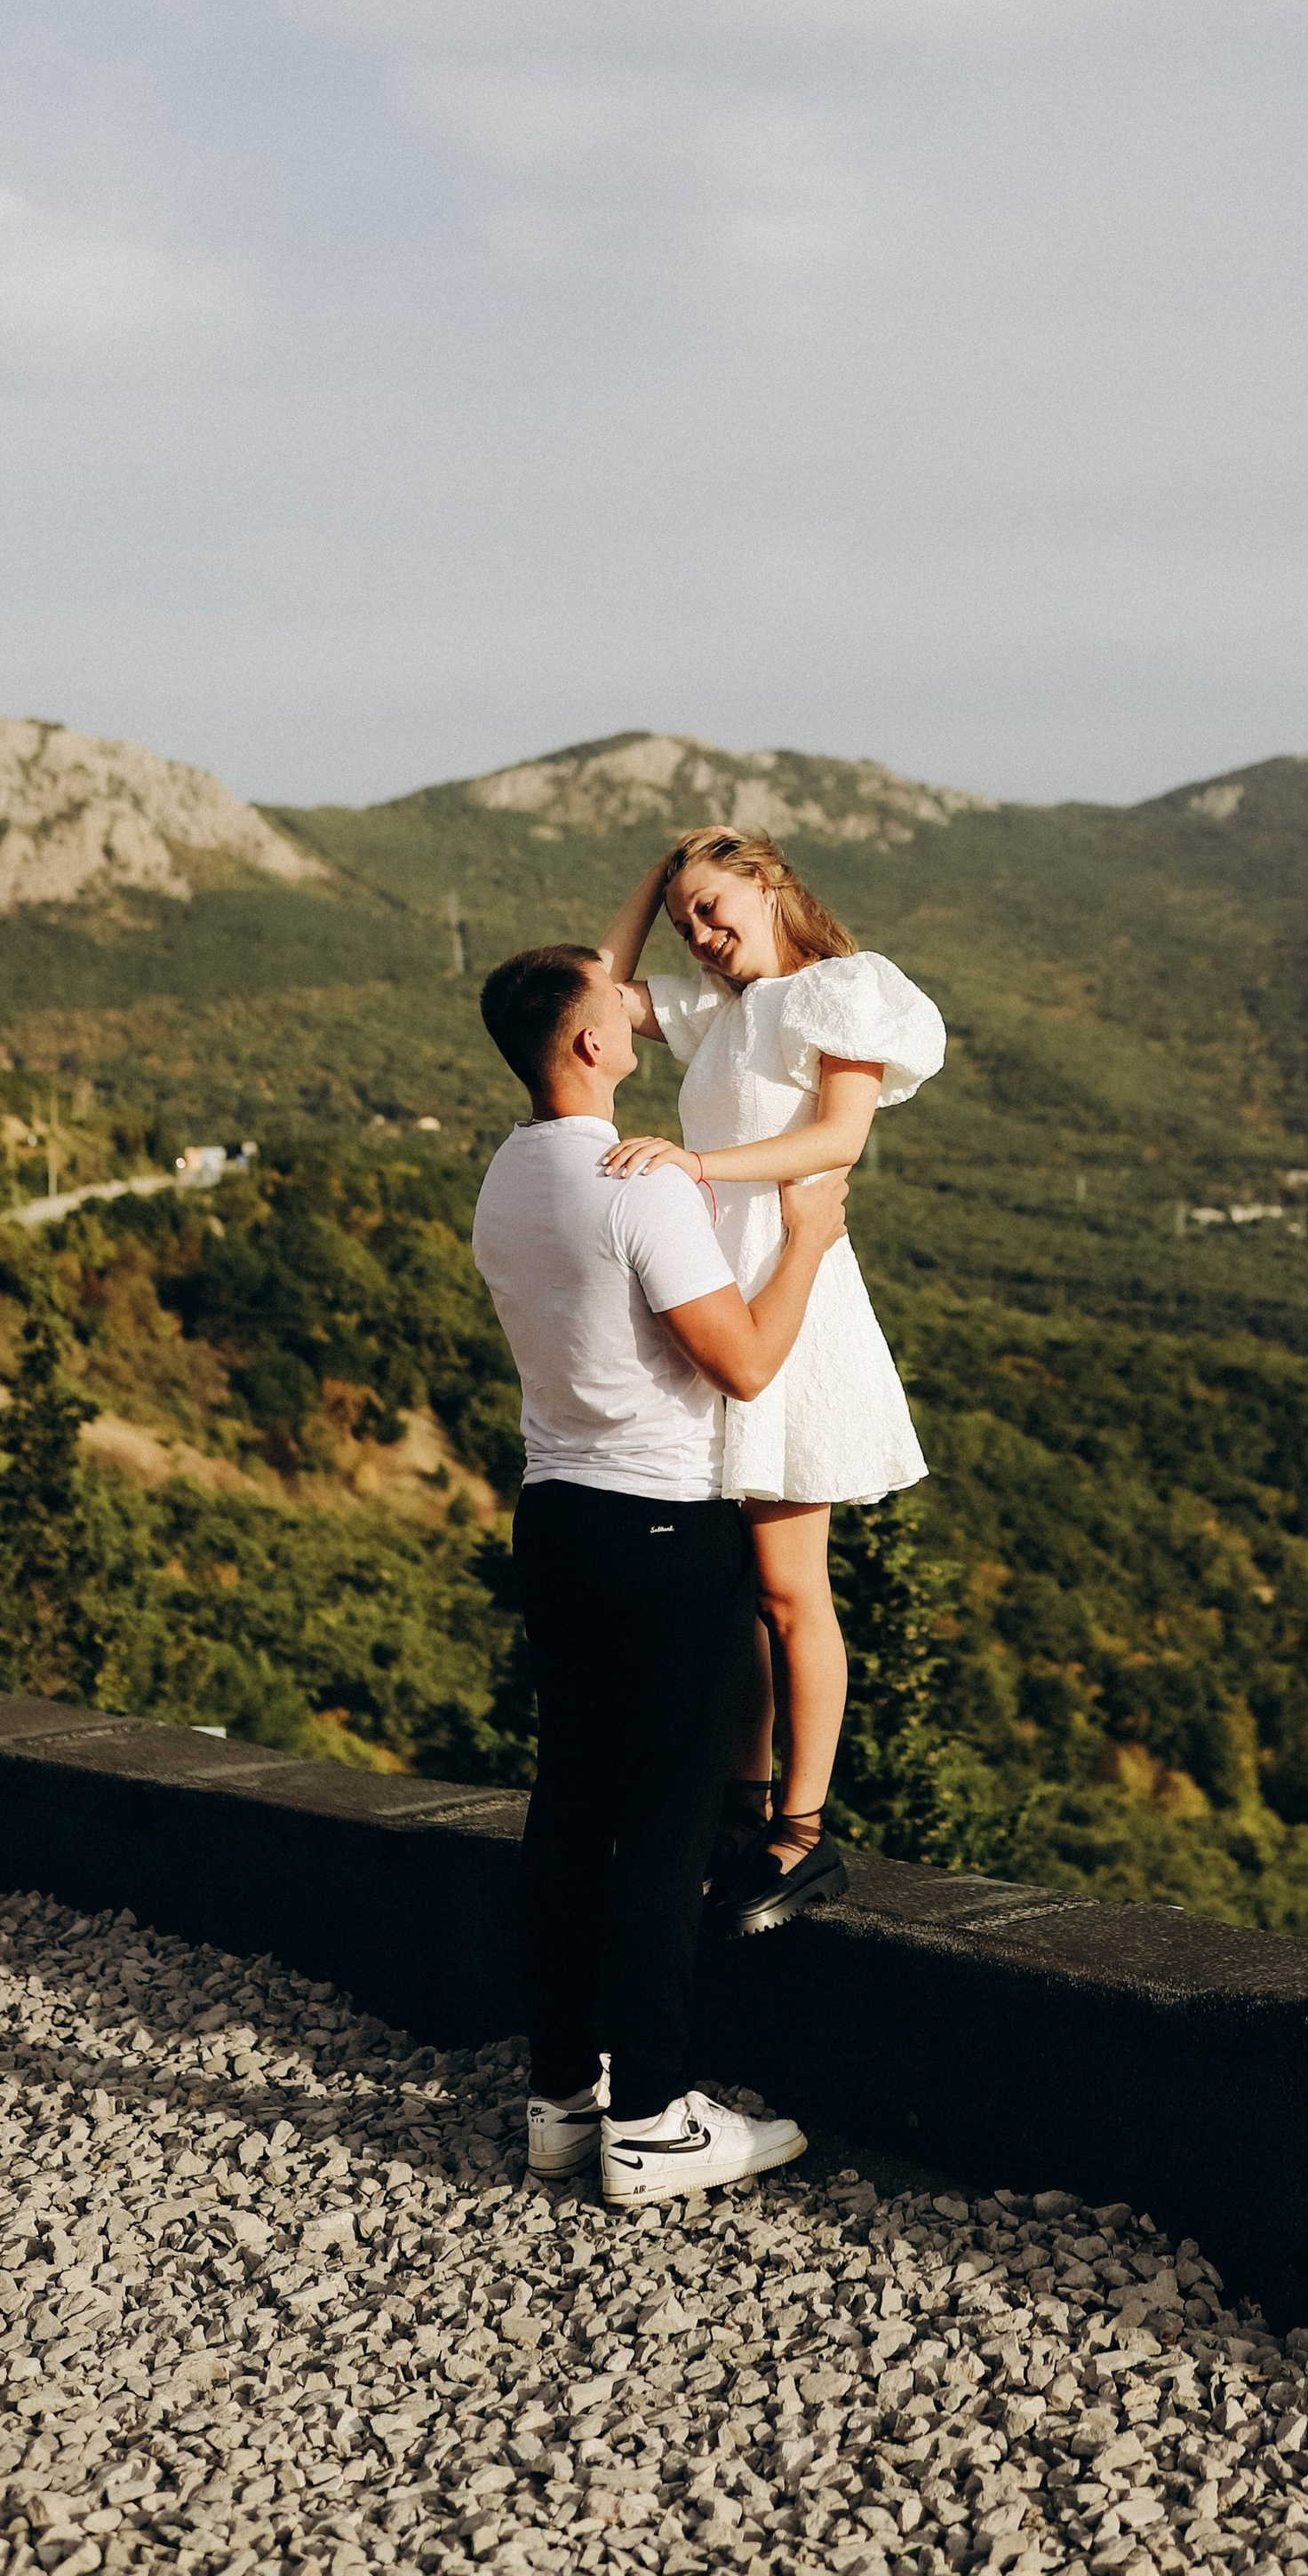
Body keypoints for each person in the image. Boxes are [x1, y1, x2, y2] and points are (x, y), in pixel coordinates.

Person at [472, 940, 851, 2201]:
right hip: (657, 1528)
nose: (636, 1008)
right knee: (672, 1824)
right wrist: (804, 1234)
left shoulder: (508, 1176)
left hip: (556, 1520)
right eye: (615, 1001)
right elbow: (742, 1361)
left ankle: (563, 2100)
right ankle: (654, 2118)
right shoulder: (640, 1189)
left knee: (572, 1808)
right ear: (588, 1043)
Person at [597, 829, 945, 1934]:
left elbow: (838, 1136)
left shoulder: (841, 991)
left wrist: (694, 1163)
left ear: (768, 883)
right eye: (684, 916)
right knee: (731, 1590)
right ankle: (743, 1811)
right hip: (716, 1303)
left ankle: (801, 1832)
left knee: (794, 1589)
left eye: (712, 906)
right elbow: (593, 1001)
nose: (701, 934)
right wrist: (648, 887)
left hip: (794, 1302)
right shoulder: (717, 1011)